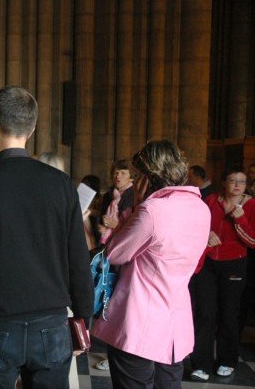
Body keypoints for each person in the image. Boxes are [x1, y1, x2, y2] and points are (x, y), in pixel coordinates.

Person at [0, 86, 93, 389]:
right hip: (50, 323)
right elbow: (78, 261)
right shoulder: (60, 184)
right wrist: (82, 319)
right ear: (32, 129)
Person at [91, 140, 210, 389]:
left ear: (148, 176)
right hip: (175, 323)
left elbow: (115, 253)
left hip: (140, 323)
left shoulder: (152, 210)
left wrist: (132, 212)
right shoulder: (200, 207)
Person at [190, 165, 255, 380]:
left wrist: (240, 219)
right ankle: (201, 364)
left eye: (242, 181)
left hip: (234, 264)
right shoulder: (211, 201)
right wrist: (206, 233)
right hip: (208, 263)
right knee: (205, 313)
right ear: (224, 182)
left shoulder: (251, 205)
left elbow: (252, 241)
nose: (237, 185)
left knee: (228, 313)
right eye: (233, 180)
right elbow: (196, 225)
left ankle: (227, 360)